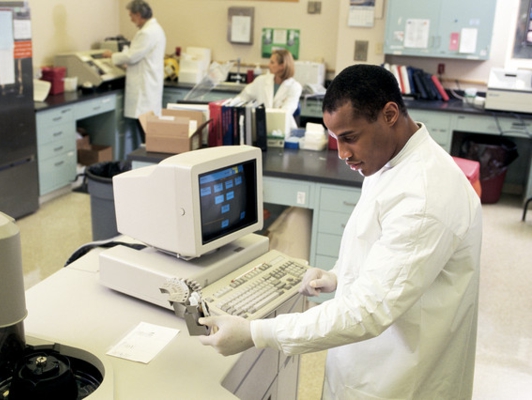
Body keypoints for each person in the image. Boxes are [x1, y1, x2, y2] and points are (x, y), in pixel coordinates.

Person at [199, 64, 483, 399]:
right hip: (371, 359)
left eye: (349, 137)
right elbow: (386, 250)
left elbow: (368, 311)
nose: (343, 154)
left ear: (390, 114)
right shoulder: (392, 159)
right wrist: (339, 275)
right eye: (336, 139)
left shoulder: (424, 195)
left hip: (401, 379)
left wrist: (254, 332)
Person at [103, 0, 165, 149]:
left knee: (147, 132)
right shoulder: (156, 29)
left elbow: (131, 57)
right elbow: (138, 56)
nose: (131, 19)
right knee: (149, 131)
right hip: (149, 84)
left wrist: (112, 56)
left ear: (138, 15)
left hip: (144, 89)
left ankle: (148, 159)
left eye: (131, 16)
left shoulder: (146, 33)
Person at [235, 49, 302, 130]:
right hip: (262, 126)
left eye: (272, 62)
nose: (268, 65)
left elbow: (285, 112)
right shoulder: (261, 81)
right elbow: (243, 97)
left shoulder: (294, 87)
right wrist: (229, 105)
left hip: (283, 128)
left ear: (282, 66)